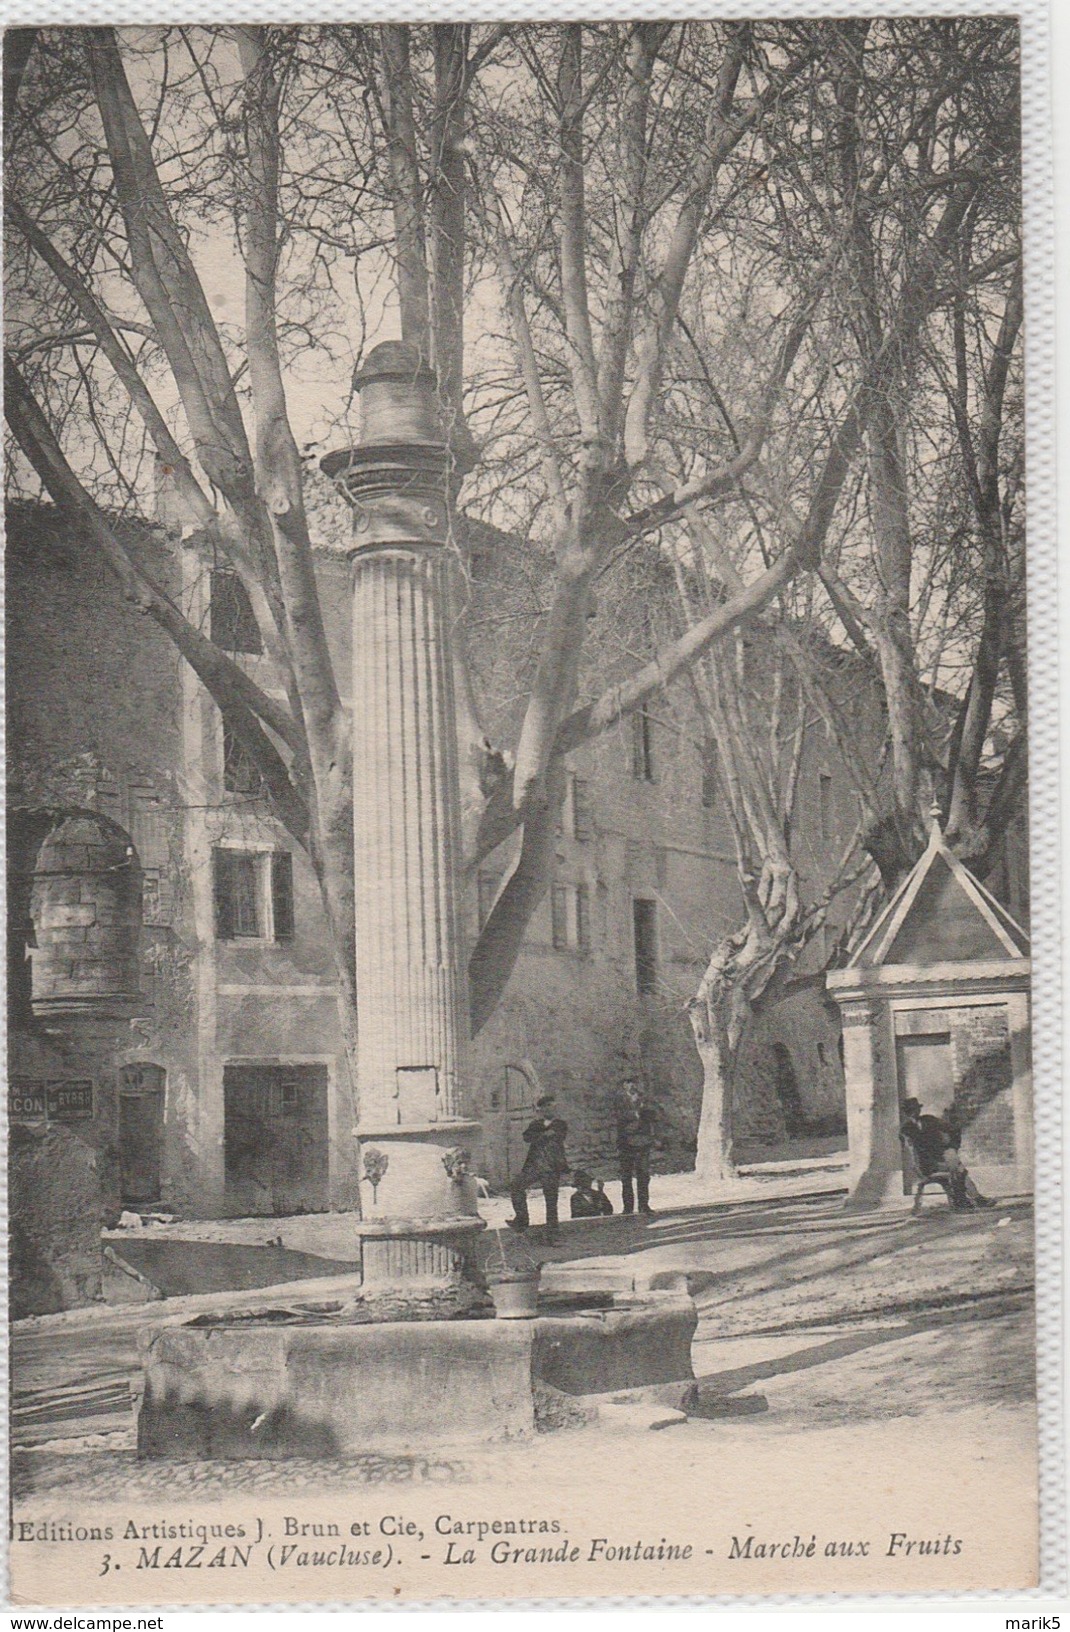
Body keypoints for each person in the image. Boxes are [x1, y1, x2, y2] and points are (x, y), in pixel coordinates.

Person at [899, 1097, 995, 1213]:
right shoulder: (906, 1129)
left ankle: (967, 1200)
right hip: (925, 1165)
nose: (914, 1112)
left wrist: (952, 1146)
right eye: (910, 1110)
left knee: (955, 1164)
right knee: (958, 1168)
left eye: (915, 1109)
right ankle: (968, 1200)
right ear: (906, 1112)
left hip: (939, 1159)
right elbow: (911, 1151)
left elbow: (952, 1129)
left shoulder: (929, 1120)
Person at [508, 1093, 569, 1243]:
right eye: (547, 1107)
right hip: (535, 1165)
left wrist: (541, 1134)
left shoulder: (560, 1124)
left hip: (551, 1166)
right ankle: (521, 1220)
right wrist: (541, 1131)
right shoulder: (536, 1124)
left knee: (551, 1199)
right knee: (516, 1187)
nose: (551, 1109)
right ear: (541, 1109)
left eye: (553, 1106)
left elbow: (553, 1135)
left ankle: (552, 1230)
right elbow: (527, 1137)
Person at [616, 1080, 657, 1215]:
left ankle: (644, 1205)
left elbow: (652, 1116)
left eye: (634, 1082)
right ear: (624, 1086)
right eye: (628, 1083)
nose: (632, 1085)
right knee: (626, 1176)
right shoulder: (619, 1101)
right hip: (626, 1144)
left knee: (643, 1175)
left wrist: (640, 1109)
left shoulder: (644, 1099)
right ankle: (628, 1207)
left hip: (642, 1143)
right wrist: (635, 1113)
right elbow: (618, 1118)